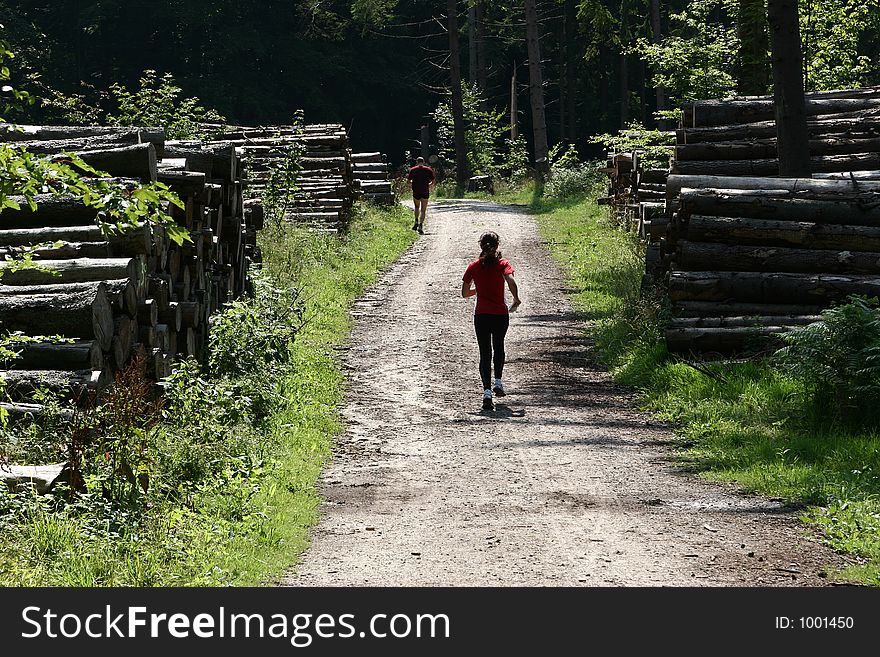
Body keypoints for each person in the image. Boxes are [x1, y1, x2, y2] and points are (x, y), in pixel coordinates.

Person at [461, 231, 522, 410]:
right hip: (500, 315)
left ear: (481, 245)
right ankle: (498, 382)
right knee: (499, 347)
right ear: (497, 246)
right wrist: (516, 299)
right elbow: (511, 281)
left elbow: (465, 293)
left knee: (485, 353)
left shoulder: (473, 266)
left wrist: (478, 290)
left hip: (481, 315)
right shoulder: (503, 264)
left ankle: (487, 393)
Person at [406, 156, 435, 234]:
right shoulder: (428, 170)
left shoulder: (413, 170)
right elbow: (433, 181)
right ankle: (421, 225)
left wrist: (413, 183)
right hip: (425, 191)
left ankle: (416, 221)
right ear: (423, 162)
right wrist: (429, 185)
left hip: (416, 191)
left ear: (416, 162)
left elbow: (408, 181)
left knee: (416, 207)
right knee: (423, 209)